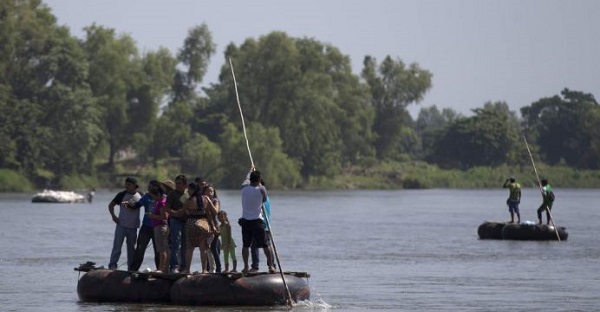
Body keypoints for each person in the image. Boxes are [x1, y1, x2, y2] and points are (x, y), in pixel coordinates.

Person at [240, 169, 275, 274]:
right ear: (259, 179)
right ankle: (271, 266)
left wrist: (250, 171)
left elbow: (245, 182)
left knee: (246, 245)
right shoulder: (261, 189)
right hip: (257, 220)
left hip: (245, 220)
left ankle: (246, 266)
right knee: (265, 245)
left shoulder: (243, 189)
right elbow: (264, 199)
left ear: (250, 179)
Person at [108, 177, 143, 271]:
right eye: (126, 184)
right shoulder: (121, 194)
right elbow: (111, 205)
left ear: (135, 185)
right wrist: (114, 216)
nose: (126, 186)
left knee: (131, 249)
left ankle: (131, 268)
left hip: (133, 227)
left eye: (129, 184)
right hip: (121, 225)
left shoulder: (140, 195)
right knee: (117, 246)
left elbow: (148, 204)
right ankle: (112, 265)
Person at [182, 183, 218, 274]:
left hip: (190, 223)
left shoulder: (188, 200)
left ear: (193, 190)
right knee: (204, 249)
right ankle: (204, 270)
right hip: (203, 224)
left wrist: (170, 211)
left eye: (189, 190)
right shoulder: (206, 199)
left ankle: (187, 270)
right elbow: (215, 212)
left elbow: (180, 213)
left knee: (189, 248)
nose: (188, 191)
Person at [130, 180, 161, 271]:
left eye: (151, 186)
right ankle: (134, 269)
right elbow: (137, 205)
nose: (149, 188)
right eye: (149, 186)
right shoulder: (146, 197)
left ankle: (160, 269)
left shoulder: (162, 197)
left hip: (157, 227)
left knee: (158, 251)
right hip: (146, 227)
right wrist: (129, 204)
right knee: (140, 249)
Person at [165, 174, 188, 273]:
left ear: (185, 185)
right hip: (175, 220)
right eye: (176, 183)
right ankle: (174, 266)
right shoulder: (172, 194)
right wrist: (174, 213)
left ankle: (183, 267)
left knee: (185, 245)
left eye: (179, 183)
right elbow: (166, 208)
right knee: (175, 243)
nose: (177, 185)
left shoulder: (188, 194)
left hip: (187, 221)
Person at [146, 182, 170, 273]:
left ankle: (161, 269)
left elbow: (164, 216)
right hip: (159, 227)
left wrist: (152, 216)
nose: (153, 198)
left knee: (161, 249)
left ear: (158, 194)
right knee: (163, 249)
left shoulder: (161, 202)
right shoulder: (160, 201)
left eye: (153, 196)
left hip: (161, 227)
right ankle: (164, 268)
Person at [205, 185, 222, 273]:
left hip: (215, 226)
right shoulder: (203, 201)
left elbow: (215, 211)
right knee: (207, 248)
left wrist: (209, 201)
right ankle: (210, 268)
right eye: (208, 191)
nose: (210, 193)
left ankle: (218, 268)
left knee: (214, 248)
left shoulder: (215, 200)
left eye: (211, 191)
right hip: (206, 227)